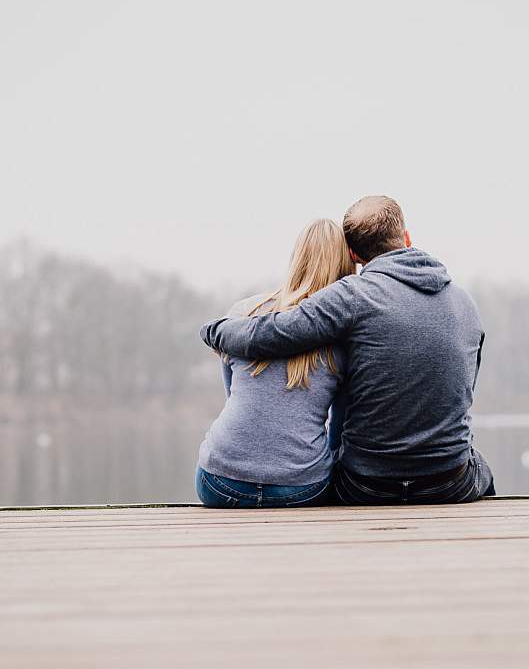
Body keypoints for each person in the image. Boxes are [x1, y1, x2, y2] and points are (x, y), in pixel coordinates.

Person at [201, 195, 494, 506]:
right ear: (407, 238)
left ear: (354, 253)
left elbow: (271, 334)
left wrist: (213, 330)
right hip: (448, 482)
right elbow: (464, 393)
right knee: (482, 469)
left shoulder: (352, 296)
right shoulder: (465, 303)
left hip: (366, 486)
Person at [195, 218, 354, 508]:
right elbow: (339, 429)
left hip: (219, 481)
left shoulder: (246, 313)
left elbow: (233, 394)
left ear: (296, 258)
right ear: (346, 265)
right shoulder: (344, 337)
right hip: (302, 488)